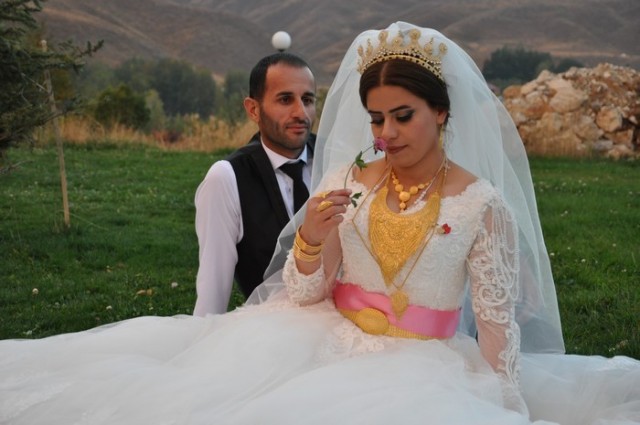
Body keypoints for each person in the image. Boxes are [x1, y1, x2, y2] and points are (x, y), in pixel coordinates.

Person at [1, 22, 639, 425]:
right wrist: (309, 238)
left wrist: (506, 402)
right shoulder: (347, 181)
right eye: (376, 119)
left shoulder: (482, 204)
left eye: (403, 116)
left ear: (442, 113)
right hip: (321, 341)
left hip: (428, 364)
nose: (386, 134)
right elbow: (305, 293)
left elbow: (497, 326)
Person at [193, 52, 317, 316]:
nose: (301, 113)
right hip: (269, 326)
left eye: (307, 100)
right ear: (253, 109)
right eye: (285, 99)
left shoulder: (336, 160)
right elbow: (213, 286)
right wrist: (203, 337)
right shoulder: (227, 178)